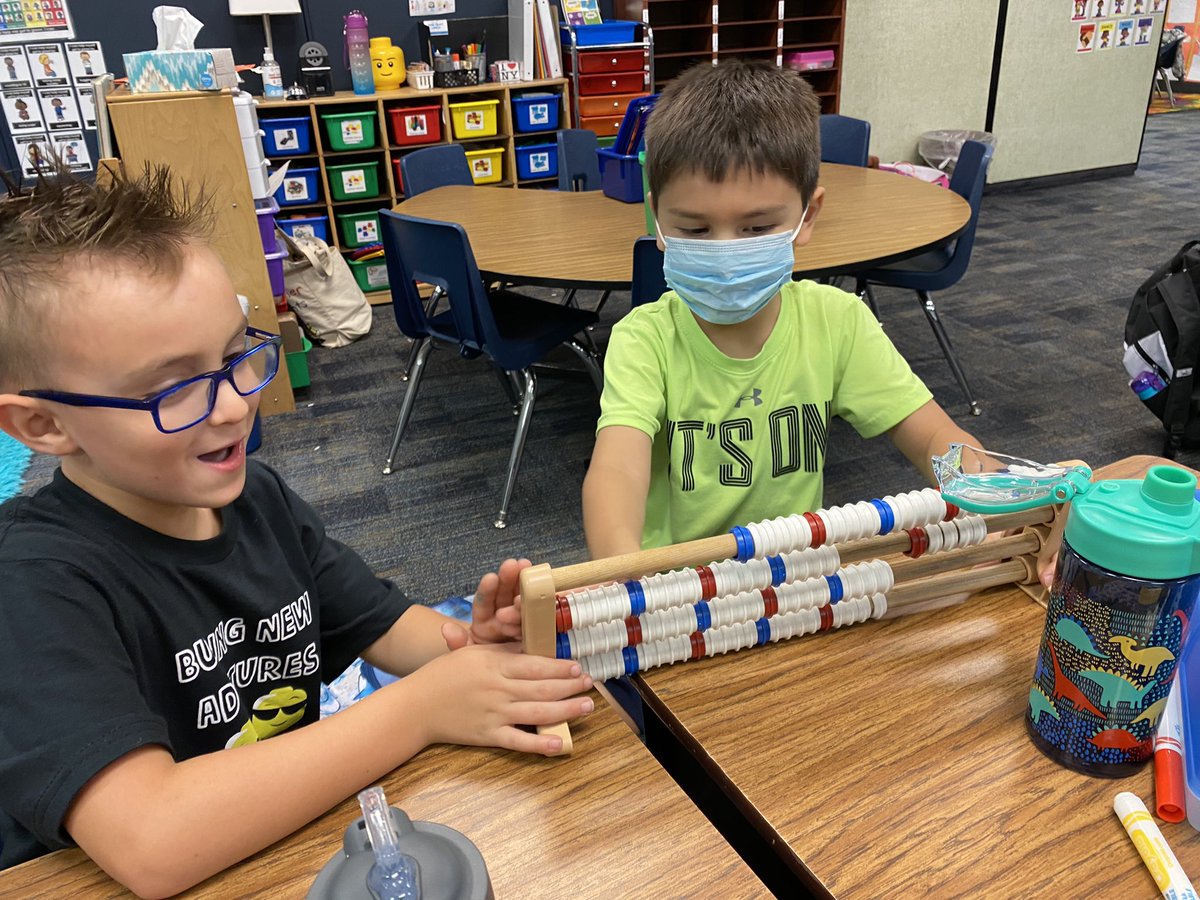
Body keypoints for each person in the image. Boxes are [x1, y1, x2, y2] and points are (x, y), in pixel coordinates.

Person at [0, 168, 594, 897]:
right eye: (172, 388)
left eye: (234, 356)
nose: (233, 405)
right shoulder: (32, 584)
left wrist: (471, 648)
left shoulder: (257, 499)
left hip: (287, 842)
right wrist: (422, 709)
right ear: (44, 425)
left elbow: (381, 624)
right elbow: (151, 842)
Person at [582, 60, 989, 562]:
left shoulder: (837, 323)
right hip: (676, 586)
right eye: (694, 229)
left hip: (792, 578)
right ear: (657, 219)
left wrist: (994, 497)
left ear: (807, 215)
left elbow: (934, 438)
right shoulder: (644, 339)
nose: (727, 253)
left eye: (757, 229)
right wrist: (622, 567)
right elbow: (617, 469)